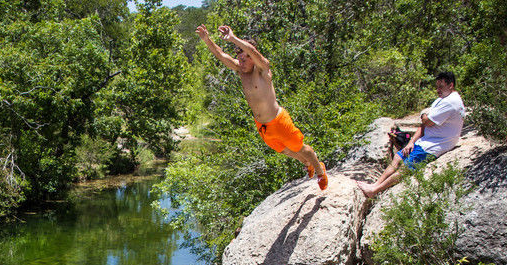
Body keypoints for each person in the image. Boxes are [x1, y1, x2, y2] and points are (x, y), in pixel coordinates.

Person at [196, 24, 328, 190]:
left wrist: (233, 38)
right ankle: (307, 163)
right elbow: (221, 55)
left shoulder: (263, 71)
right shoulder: (241, 71)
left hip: (278, 121)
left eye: (245, 58)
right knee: (285, 150)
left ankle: (320, 170)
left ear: (253, 58)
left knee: (300, 147)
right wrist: (207, 40)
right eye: (240, 59)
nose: (241, 62)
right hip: (263, 126)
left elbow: (257, 55)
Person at [357, 73, 465, 198]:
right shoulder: (442, 100)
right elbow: (423, 125)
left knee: (406, 167)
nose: (438, 90)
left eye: (441, 86)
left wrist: (423, 116)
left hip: (435, 145)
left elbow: (427, 121)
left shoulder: (451, 102)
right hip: (426, 140)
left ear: (451, 85)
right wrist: (411, 142)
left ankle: (375, 190)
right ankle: (375, 184)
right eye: (437, 87)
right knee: (398, 157)